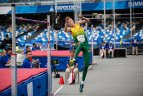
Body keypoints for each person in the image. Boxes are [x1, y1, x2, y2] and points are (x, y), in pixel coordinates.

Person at [64, 15, 90, 92]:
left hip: (86, 45)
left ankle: (82, 83)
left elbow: (87, 20)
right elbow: (65, 30)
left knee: (86, 66)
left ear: (72, 20)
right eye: (68, 22)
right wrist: (65, 23)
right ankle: (74, 58)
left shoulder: (78, 23)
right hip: (78, 45)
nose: (69, 22)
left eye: (70, 21)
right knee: (80, 43)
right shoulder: (70, 29)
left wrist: (83, 17)